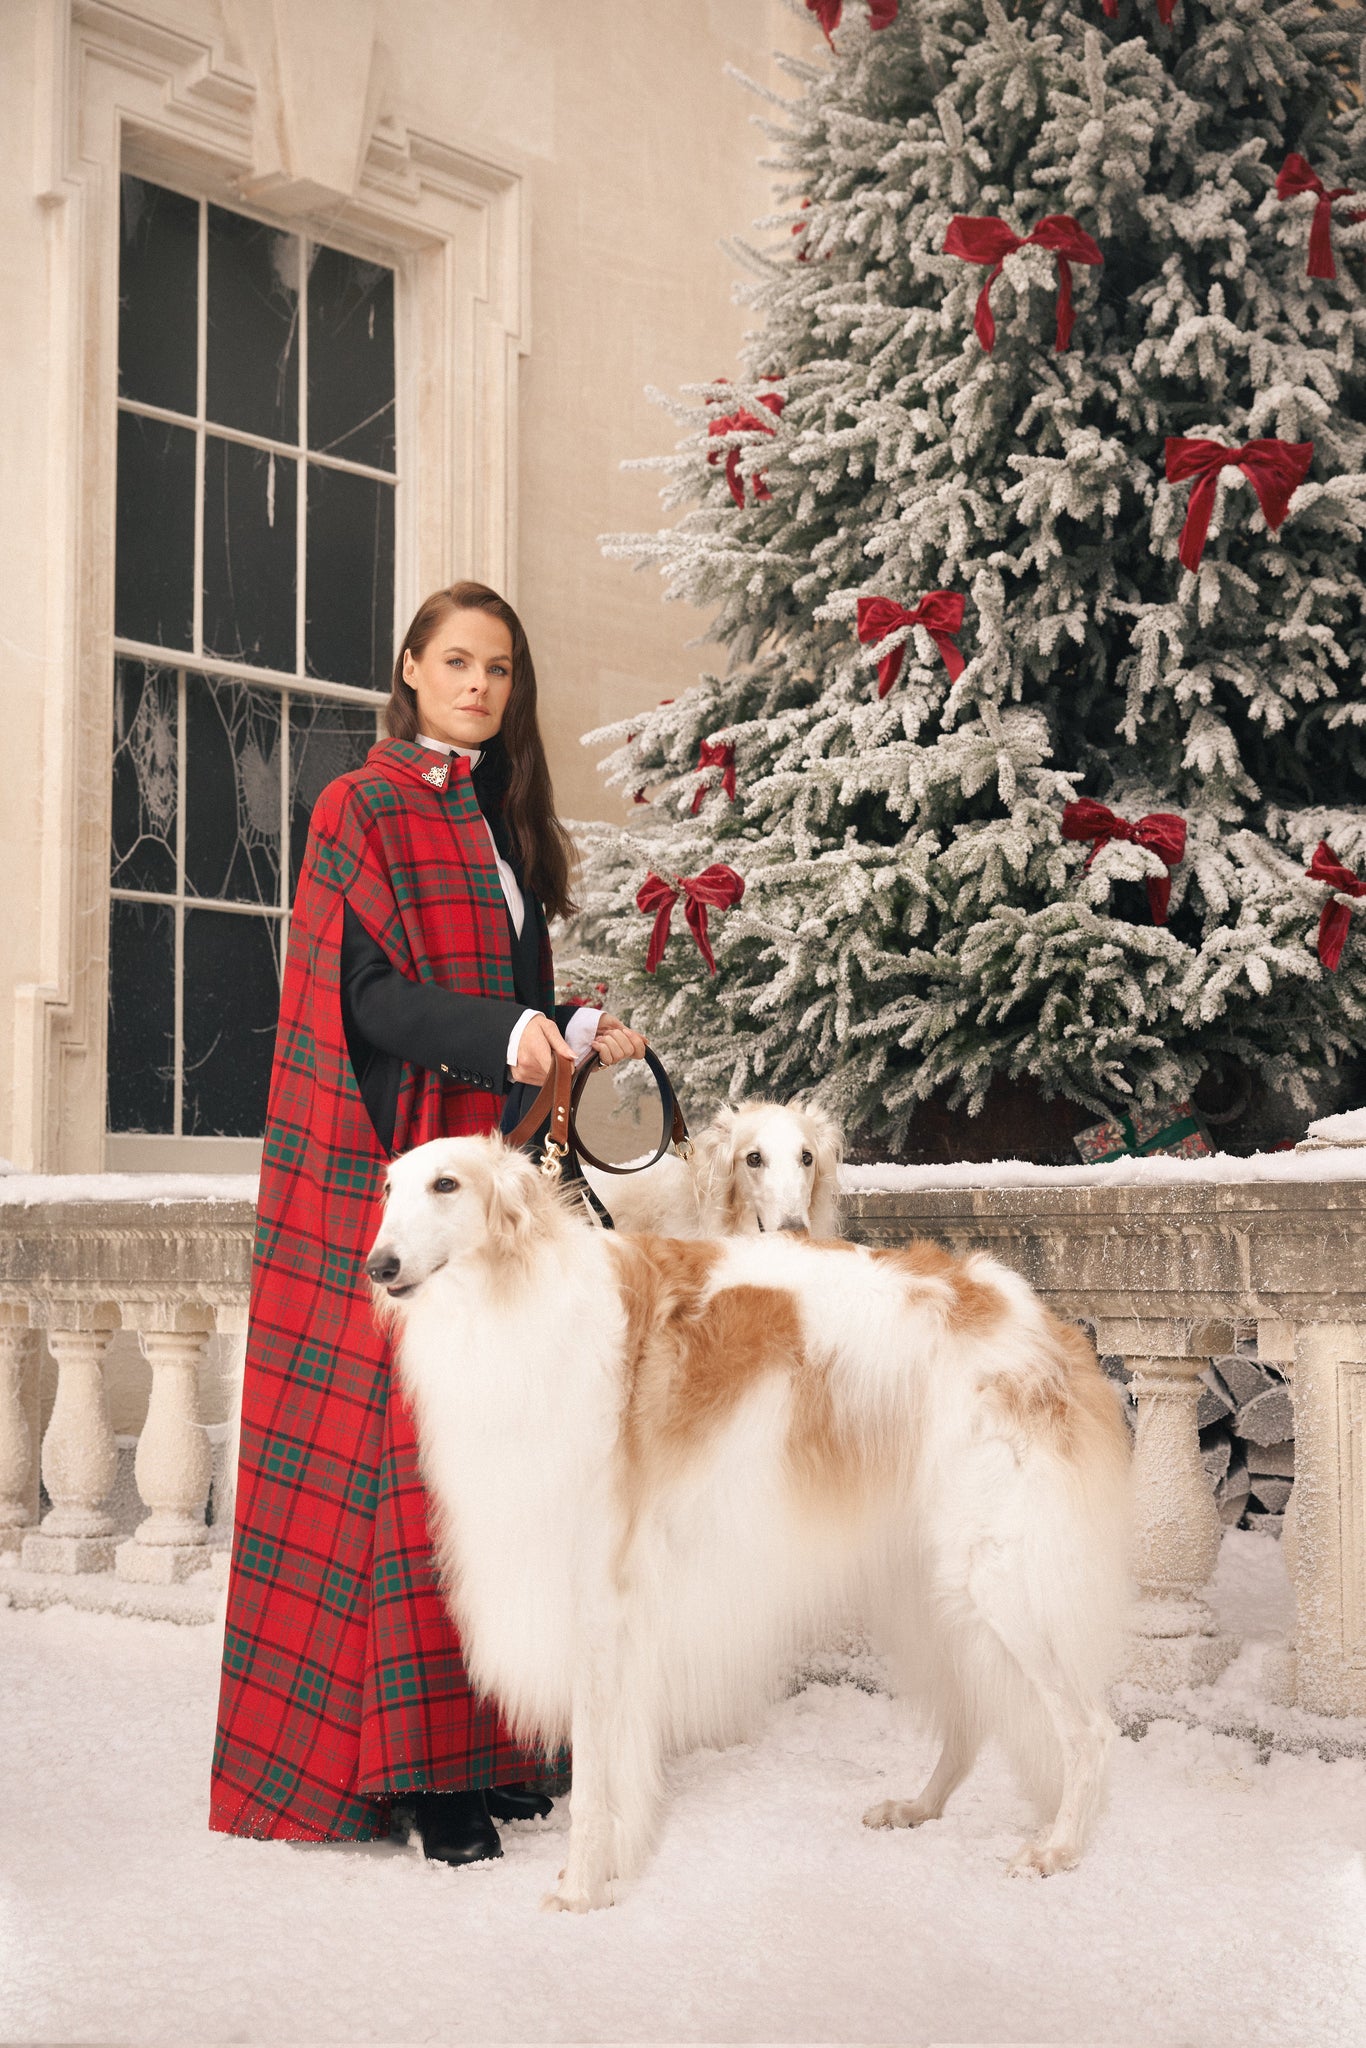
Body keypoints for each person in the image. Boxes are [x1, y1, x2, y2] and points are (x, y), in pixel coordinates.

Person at [210, 581, 646, 1865]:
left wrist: (564, 1028)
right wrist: (492, 1032)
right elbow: (360, 997)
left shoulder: (496, 818)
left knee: (497, 1460)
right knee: (411, 1475)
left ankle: (494, 1746)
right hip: (408, 1177)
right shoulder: (361, 805)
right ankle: (423, 1774)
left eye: (500, 667)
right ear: (409, 667)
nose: (480, 684)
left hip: (494, 1186)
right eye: (457, 661)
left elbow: (504, 993)